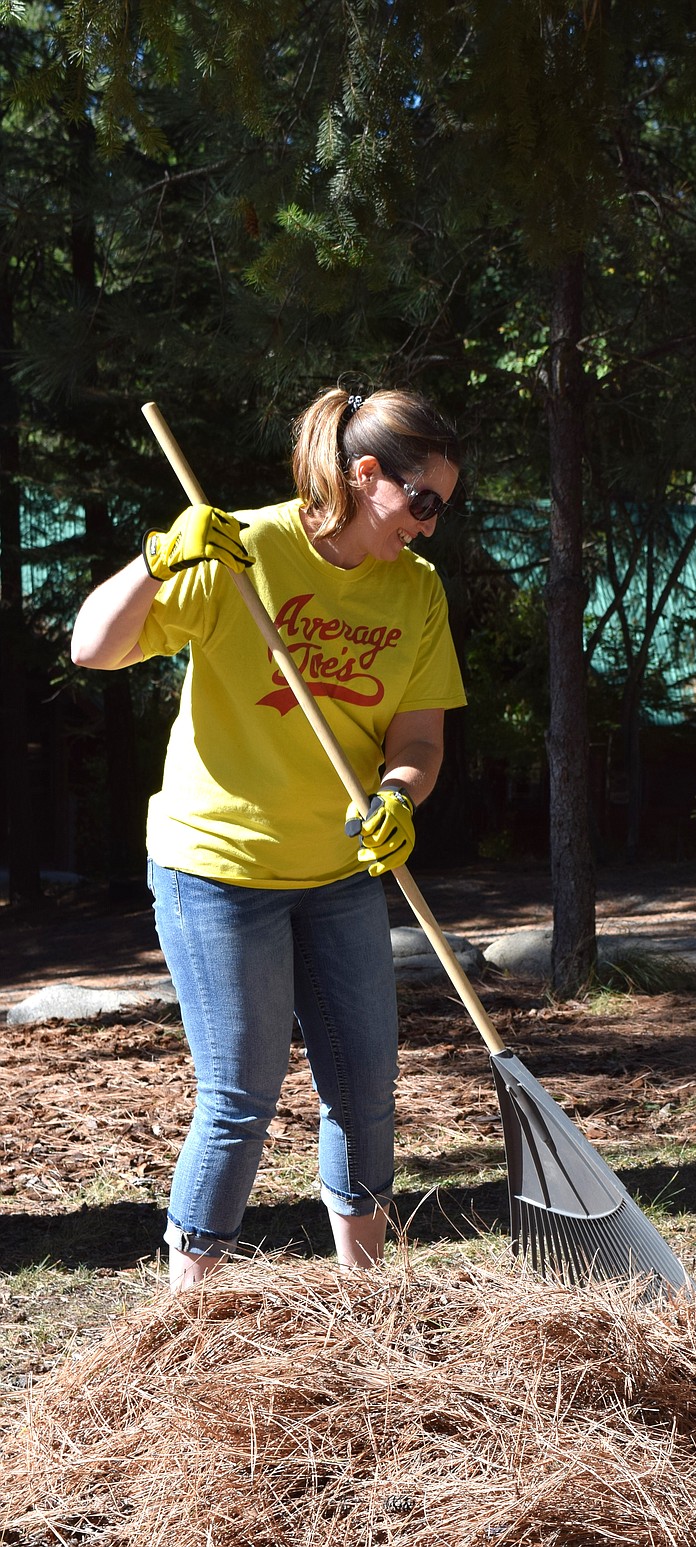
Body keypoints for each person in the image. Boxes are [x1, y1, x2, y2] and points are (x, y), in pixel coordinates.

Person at [71, 386, 466, 1290]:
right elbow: (91, 645)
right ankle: (188, 1320)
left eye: (443, 505)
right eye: (424, 502)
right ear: (368, 476)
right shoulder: (241, 551)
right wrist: (155, 560)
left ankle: (369, 1308)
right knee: (241, 1098)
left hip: (338, 873)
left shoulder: (418, 591)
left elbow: (418, 739)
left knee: (366, 1096)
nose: (432, 527)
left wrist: (399, 796)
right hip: (217, 868)